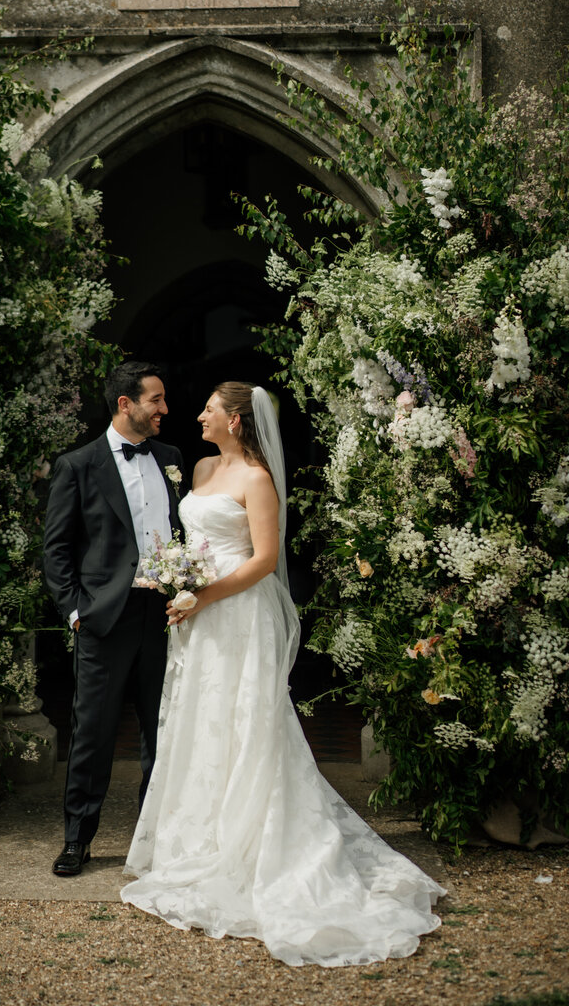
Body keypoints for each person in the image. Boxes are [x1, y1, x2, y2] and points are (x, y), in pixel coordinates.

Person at [120, 381, 445, 966]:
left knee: (245, 720)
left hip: (238, 613)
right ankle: (200, 838)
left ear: (236, 421)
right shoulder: (196, 473)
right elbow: (192, 543)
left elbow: (265, 559)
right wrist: (180, 582)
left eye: (209, 410)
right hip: (199, 617)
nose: (198, 415)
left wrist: (206, 595)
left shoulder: (258, 480)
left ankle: (260, 843)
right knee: (200, 718)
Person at [43, 360, 185, 877]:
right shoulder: (78, 465)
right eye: (157, 400)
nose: (165, 409)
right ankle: (77, 839)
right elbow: (56, 550)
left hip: (165, 616)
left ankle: (154, 842)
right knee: (93, 734)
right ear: (126, 404)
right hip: (104, 619)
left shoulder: (171, 457)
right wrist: (77, 611)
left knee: (162, 731)